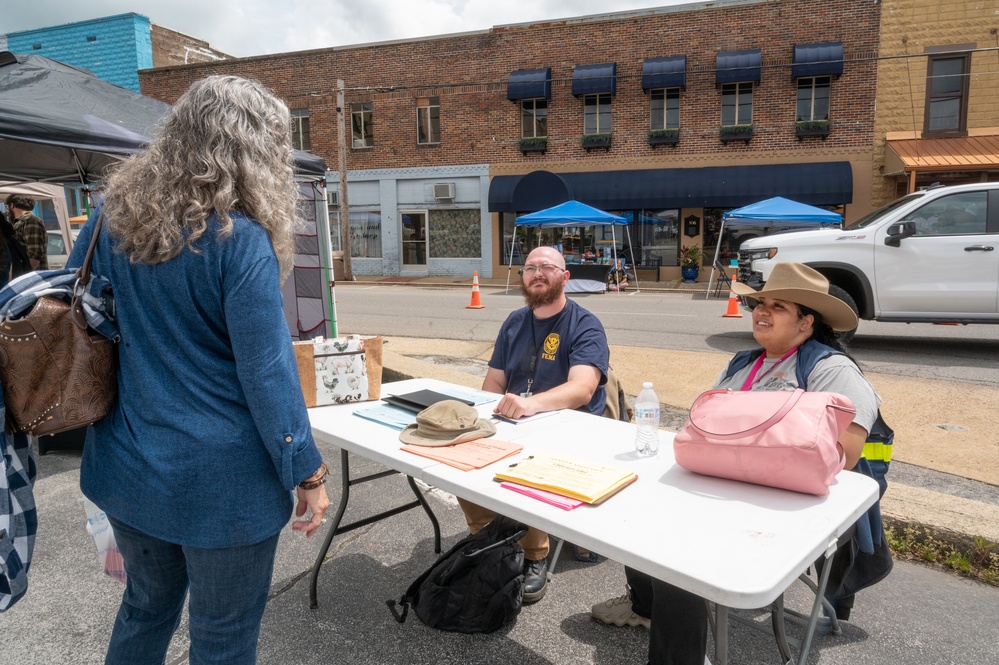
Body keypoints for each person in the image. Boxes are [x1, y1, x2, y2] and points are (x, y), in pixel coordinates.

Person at [65, 75, 330, 665]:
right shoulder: (242, 241)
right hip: (223, 485)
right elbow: (268, 374)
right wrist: (307, 472)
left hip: (128, 465)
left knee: (144, 608)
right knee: (223, 637)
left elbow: (86, 312)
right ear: (258, 151)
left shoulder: (111, 217)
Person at [591, 262, 888, 665]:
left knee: (680, 559)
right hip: (724, 487)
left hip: (784, 506)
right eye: (760, 303)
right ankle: (645, 605)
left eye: (778, 306)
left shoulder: (831, 370)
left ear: (806, 323)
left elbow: (845, 455)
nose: (761, 312)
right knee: (638, 507)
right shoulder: (741, 364)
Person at [457, 246, 610, 603]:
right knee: (461, 454)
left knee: (529, 464)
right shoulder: (514, 321)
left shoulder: (584, 323)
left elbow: (583, 389)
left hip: (571, 426)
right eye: (529, 268)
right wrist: (486, 416)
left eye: (546, 267)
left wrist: (529, 404)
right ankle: (487, 535)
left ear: (565, 277)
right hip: (517, 422)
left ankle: (534, 555)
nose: (537, 273)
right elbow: (494, 381)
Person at [5, 194, 47, 270]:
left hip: (30, 277)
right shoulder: (21, 221)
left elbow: (34, 254)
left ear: (11, 205)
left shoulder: (30, 220)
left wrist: (23, 275)